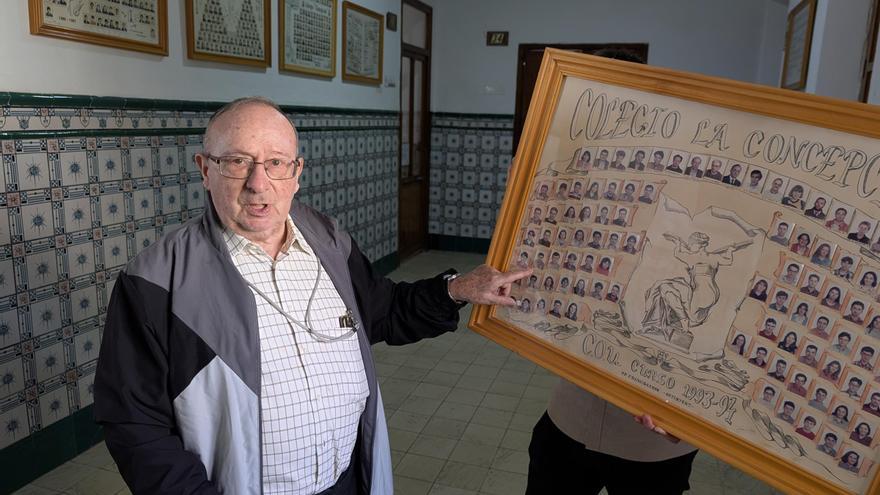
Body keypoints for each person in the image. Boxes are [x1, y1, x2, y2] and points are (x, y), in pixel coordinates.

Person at [94, 97, 529, 494]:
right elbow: (135, 425)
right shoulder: (155, 280)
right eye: (237, 162)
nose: (258, 183)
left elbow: (383, 311)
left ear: (297, 173)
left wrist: (459, 289)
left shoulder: (327, 240)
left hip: (347, 480)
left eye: (276, 163)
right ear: (205, 169)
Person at [527, 49, 697, 495]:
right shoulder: (570, 182)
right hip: (570, 413)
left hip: (655, 434)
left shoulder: (688, 190)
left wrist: (697, 419)